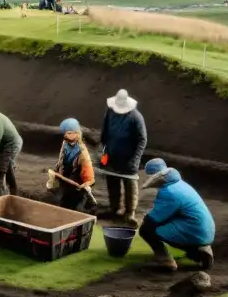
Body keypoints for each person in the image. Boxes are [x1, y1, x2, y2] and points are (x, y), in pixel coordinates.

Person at [139, 158, 215, 272]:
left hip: (194, 230)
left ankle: (166, 262)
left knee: (146, 230)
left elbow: (155, 219)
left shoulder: (168, 192)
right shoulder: (181, 184)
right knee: (166, 222)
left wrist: (145, 217)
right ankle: (201, 250)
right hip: (206, 230)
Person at [95, 88, 147, 226]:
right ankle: (114, 209)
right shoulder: (110, 112)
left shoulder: (136, 117)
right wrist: (104, 153)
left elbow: (142, 140)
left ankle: (130, 213)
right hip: (112, 155)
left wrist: (135, 160)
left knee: (130, 185)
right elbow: (104, 134)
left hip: (128, 159)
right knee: (112, 184)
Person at [48, 118, 96, 211]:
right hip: (66, 180)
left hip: (78, 183)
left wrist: (86, 183)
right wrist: (57, 171)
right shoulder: (65, 144)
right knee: (64, 203)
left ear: (77, 134)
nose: (66, 135)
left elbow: (88, 173)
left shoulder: (82, 152)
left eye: (69, 133)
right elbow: (61, 160)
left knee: (76, 207)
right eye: (66, 132)